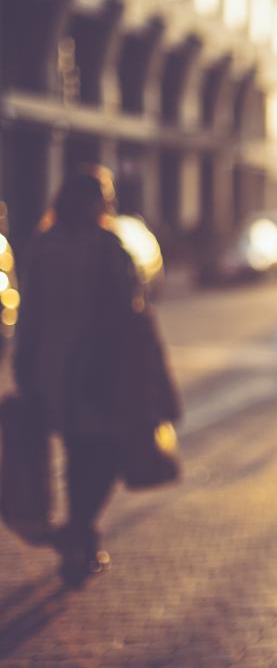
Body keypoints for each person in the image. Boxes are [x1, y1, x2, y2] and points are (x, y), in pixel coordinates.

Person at [13, 166, 180, 586]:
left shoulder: (42, 245)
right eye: (104, 197)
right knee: (103, 456)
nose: (110, 205)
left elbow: (28, 314)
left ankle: (80, 540)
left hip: (53, 373)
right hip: (100, 374)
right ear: (89, 202)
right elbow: (131, 313)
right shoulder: (107, 247)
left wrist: (25, 366)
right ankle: (79, 531)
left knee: (77, 453)